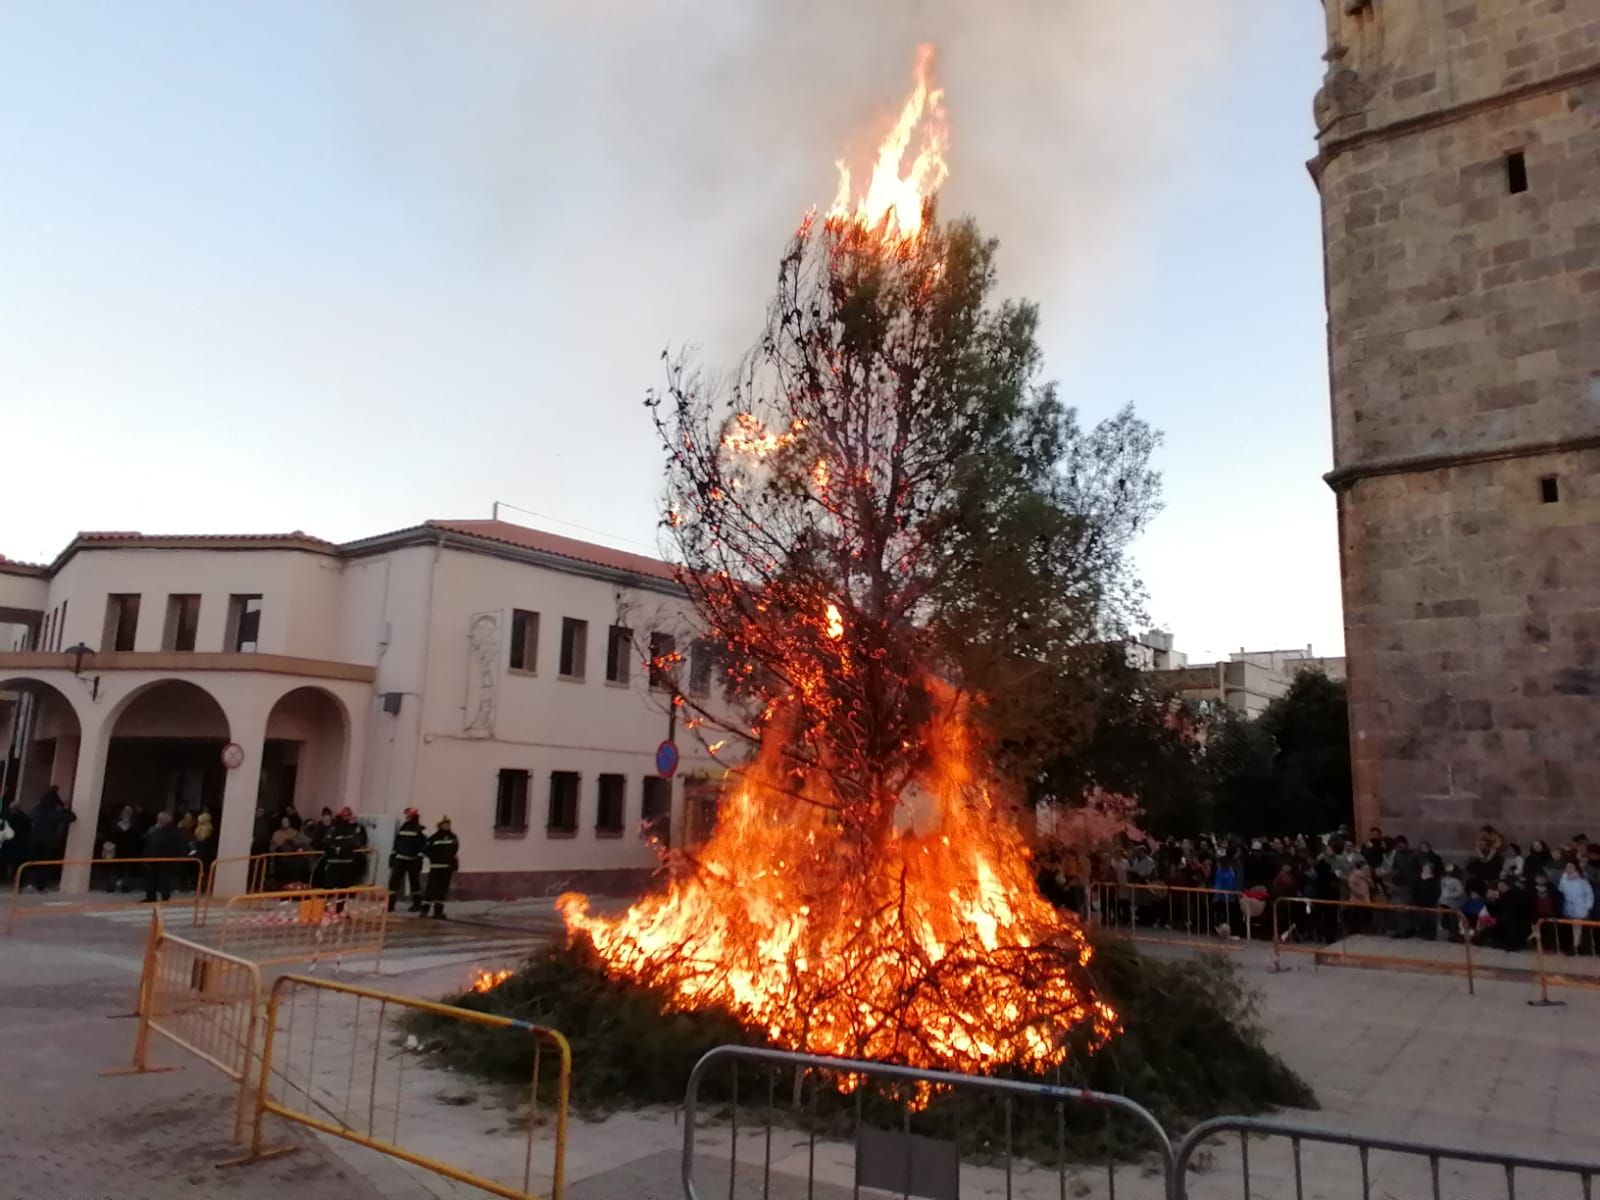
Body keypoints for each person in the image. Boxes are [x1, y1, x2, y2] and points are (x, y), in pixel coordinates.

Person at [27, 786, 77, 891]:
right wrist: (64, 807)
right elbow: (72, 817)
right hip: (48, 841)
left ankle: (32, 882)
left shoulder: (37, 810)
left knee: (34, 862)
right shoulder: (54, 813)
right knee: (44, 864)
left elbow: (30, 817)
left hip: (35, 840)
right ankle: (41, 885)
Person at [387, 808, 427, 913]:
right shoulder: (403, 827)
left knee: (414, 882)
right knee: (394, 883)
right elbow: (397, 843)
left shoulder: (419, 829)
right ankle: (390, 905)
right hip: (400, 859)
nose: (407, 817)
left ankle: (417, 904)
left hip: (412, 861)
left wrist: (419, 858)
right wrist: (393, 856)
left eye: (409, 815)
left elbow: (423, 845)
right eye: (407, 816)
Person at [142, 812, 187, 902]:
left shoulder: (173, 830)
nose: (159, 820)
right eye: (158, 818)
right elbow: (145, 839)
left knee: (164, 879)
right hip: (152, 858)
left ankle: (165, 897)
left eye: (161, 819)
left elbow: (177, 845)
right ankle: (150, 896)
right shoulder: (153, 829)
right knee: (151, 878)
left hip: (166, 859)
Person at [421, 816, 460, 919]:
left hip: (447, 867)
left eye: (448, 824)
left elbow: (455, 850)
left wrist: (453, 863)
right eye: (444, 824)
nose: (447, 826)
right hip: (436, 867)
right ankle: (424, 911)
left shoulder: (453, 837)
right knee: (431, 888)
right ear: (440, 826)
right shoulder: (434, 837)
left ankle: (438, 912)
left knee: (443, 889)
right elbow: (425, 850)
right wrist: (434, 858)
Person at [1557, 860, 1594, 956]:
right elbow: (1560, 891)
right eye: (1567, 867)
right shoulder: (1563, 879)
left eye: (1571, 867)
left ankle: (1577, 948)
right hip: (1568, 909)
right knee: (1570, 929)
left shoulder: (1582, 880)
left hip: (1580, 909)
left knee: (1579, 930)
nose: (1569, 869)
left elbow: (1589, 894)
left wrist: (1588, 906)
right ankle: (1571, 947)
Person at [106, 806, 143, 893]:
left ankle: (125, 886)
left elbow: (138, 838)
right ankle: (111, 885)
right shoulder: (114, 824)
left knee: (127, 870)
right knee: (113, 869)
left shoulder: (135, 825)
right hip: (115, 850)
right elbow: (109, 837)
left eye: (129, 812)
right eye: (125, 812)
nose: (126, 814)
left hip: (129, 851)